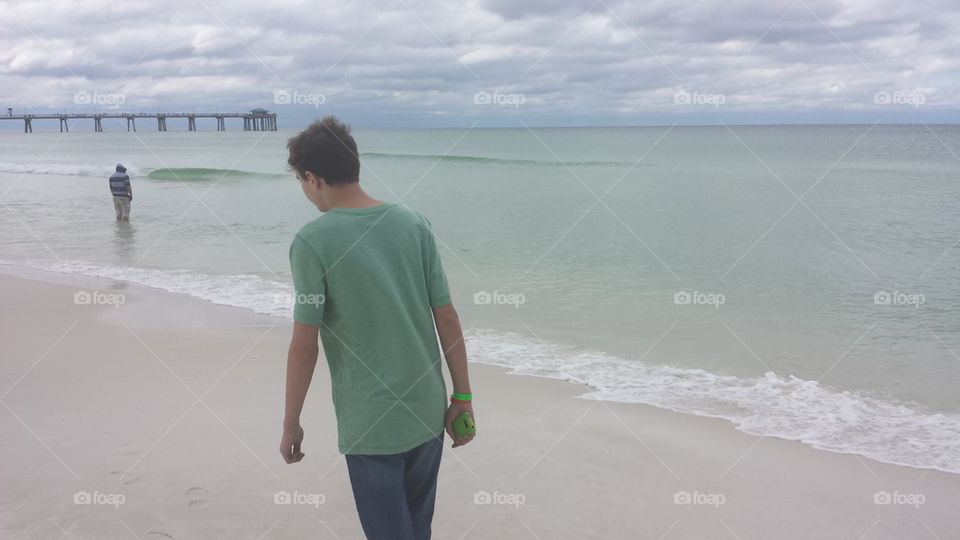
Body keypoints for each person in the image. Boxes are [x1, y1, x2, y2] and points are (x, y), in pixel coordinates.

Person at [279, 116, 475, 540]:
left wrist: (291, 422)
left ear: (311, 178)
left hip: (370, 421)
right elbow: (447, 316)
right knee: (416, 530)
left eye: (300, 180)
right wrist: (462, 396)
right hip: (426, 409)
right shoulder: (413, 223)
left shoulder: (312, 242)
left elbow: (303, 344)